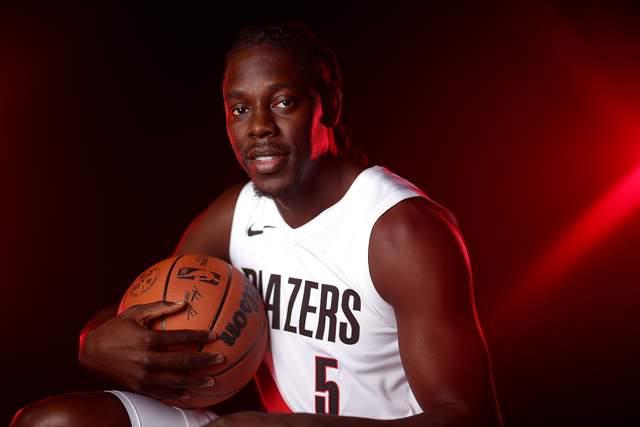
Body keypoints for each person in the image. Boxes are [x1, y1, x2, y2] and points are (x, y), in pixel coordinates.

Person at [11, 21, 502, 427]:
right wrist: (95, 340)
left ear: (329, 104)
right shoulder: (238, 214)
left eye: (283, 102)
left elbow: (471, 418)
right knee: (52, 423)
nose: (259, 126)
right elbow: (148, 306)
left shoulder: (400, 232)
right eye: (240, 109)